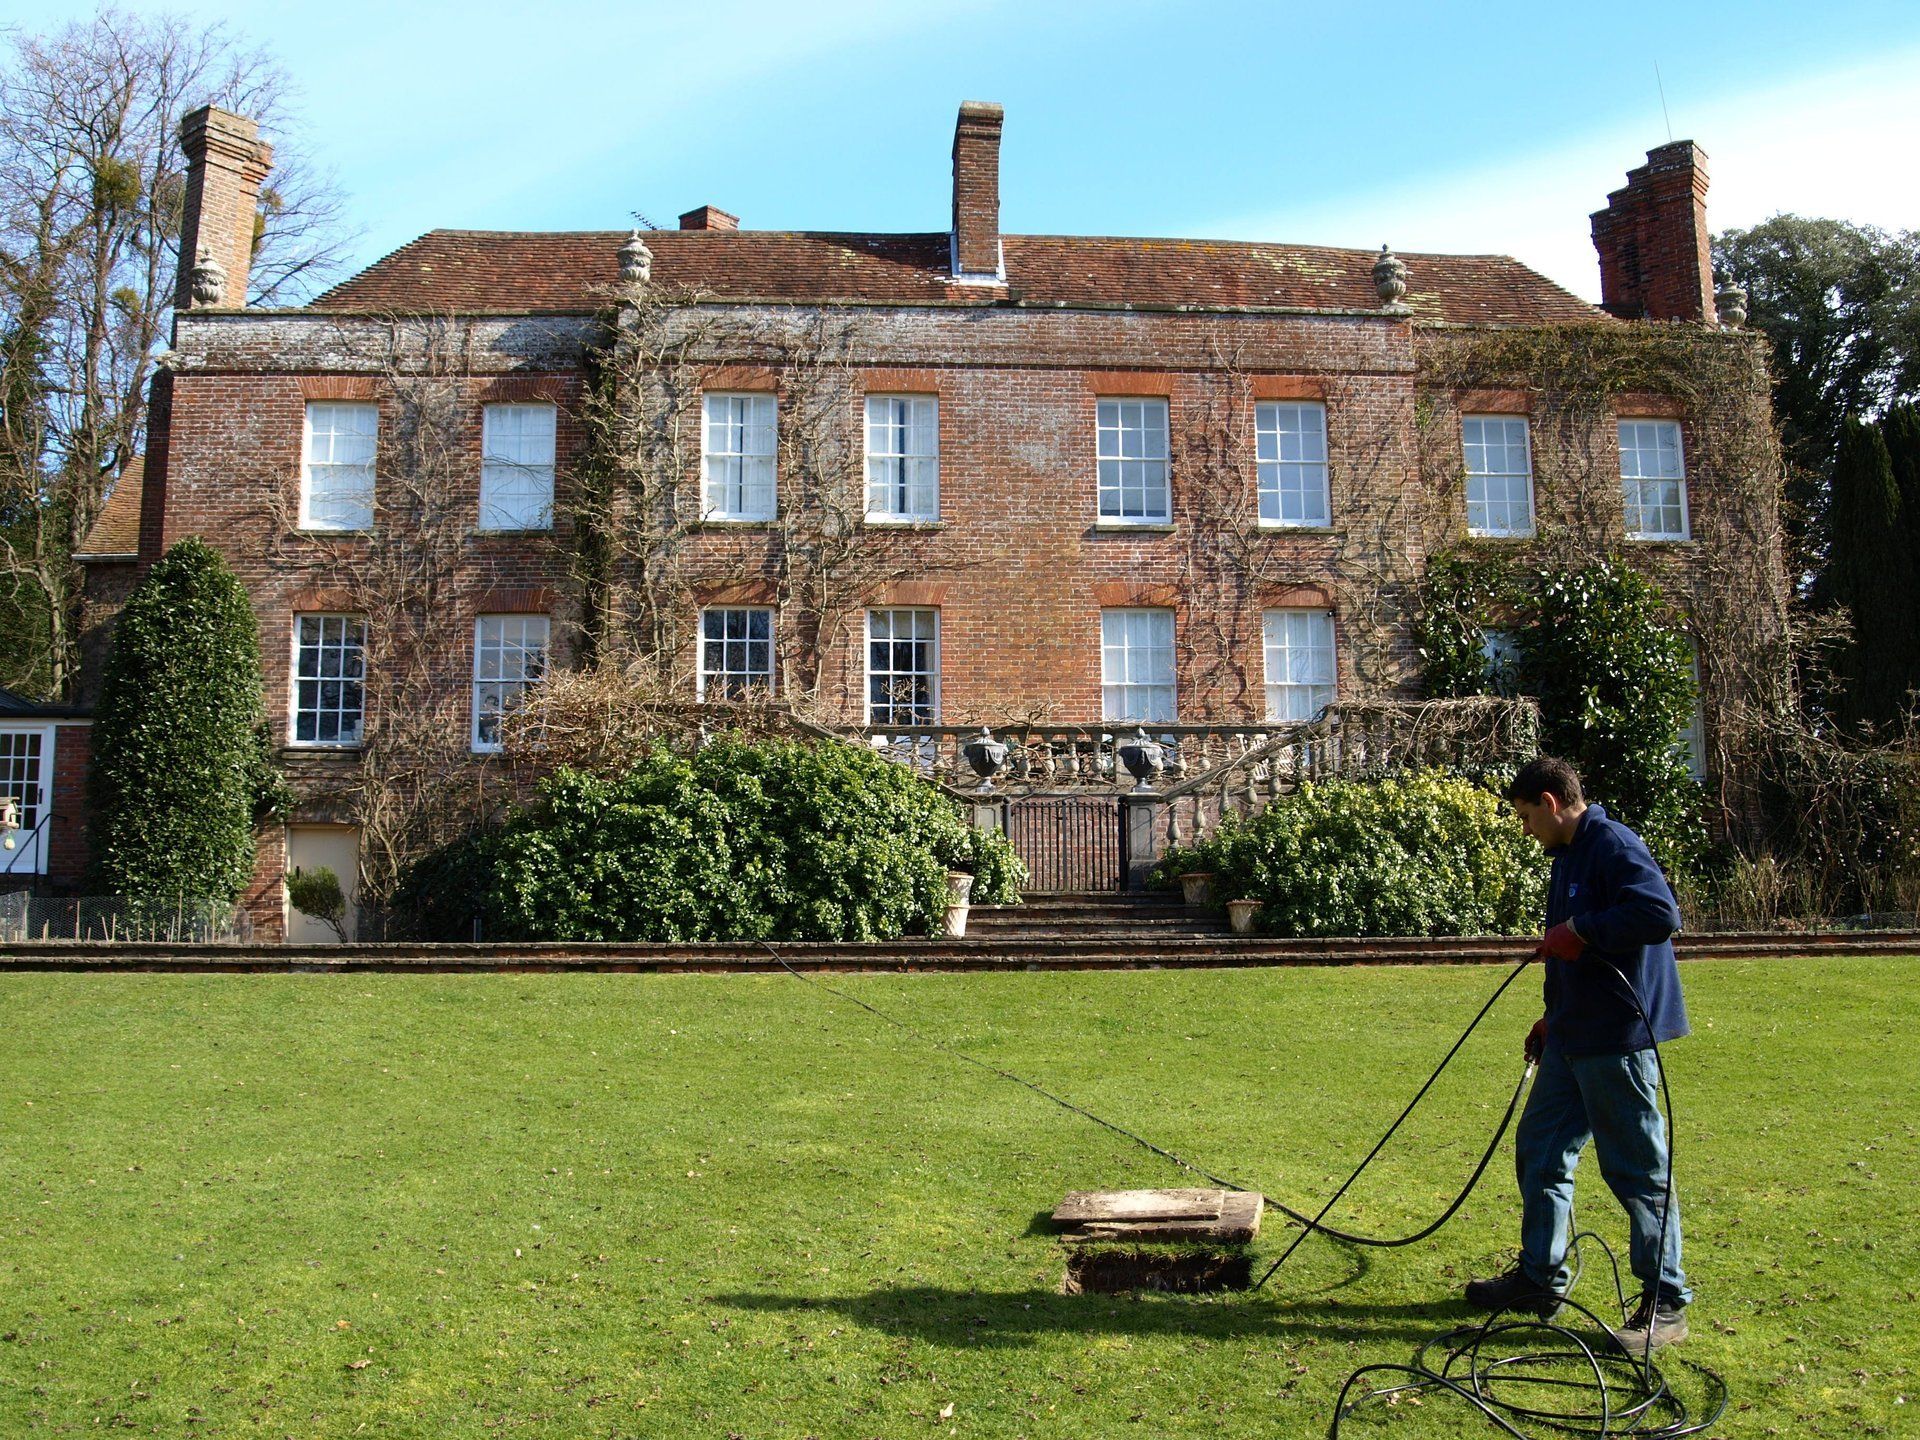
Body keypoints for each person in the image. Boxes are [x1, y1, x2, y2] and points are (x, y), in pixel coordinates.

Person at [1464, 756, 1692, 1351]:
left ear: (1551, 801)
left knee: (1637, 1168)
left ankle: (1666, 1303)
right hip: (1572, 1034)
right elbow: (1564, 952)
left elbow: (1660, 914)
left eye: (1526, 816)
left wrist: (1584, 930)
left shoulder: (1613, 844)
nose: (1526, 829)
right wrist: (1552, 1016)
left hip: (1617, 1036)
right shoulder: (1566, 857)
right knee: (1541, 1149)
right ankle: (1540, 1281)